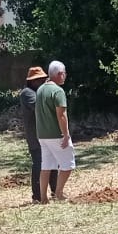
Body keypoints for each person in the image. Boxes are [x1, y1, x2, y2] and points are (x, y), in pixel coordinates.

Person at [19, 67, 60, 203]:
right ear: (33, 81)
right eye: (41, 80)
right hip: (36, 137)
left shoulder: (39, 92)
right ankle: (37, 196)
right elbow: (40, 107)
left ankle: (55, 192)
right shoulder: (27, 93)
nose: (44, 82)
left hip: (47, 134)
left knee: (53, 164)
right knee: (39, 164)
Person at [35, 61, 74, 203]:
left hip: (42, 135)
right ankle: (58, 193)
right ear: (59, 74)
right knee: (68, 165)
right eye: (64, 73)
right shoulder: (58, 91)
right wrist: (66, 135)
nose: (65, 76)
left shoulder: (40, 90)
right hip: (56, 135)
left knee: (46, 166)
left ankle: (43, 198)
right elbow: (61, 115)